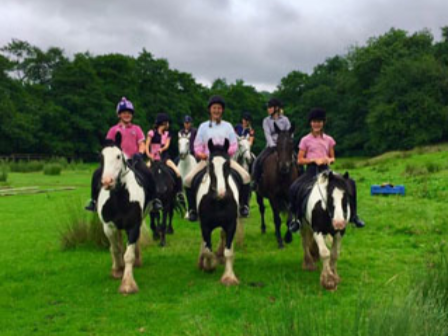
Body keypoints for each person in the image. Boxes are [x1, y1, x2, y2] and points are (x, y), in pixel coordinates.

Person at [288, 108, 365, 231]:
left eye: (319, 122)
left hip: (326, 170)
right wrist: (313, 160)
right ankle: (296, 219)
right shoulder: (305, 140)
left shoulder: (329, 139)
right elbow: (300, 160)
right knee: (294, 188)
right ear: (310, 123)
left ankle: (354, 216)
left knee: (351, 182)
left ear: (323, 123)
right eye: (314, 122)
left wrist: (329, 160)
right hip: (311, 170)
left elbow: (332, 156)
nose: (316, 124)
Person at [85, 97, 160, 212]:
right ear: (119, 115)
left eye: (129, 113)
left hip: (133, 160)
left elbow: (142, 144)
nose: (127, 115)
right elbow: (108, 145)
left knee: (148, 173)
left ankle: (154, 200)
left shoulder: (137, 129)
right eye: (124, 113)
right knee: (97, 174)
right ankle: (94, 201)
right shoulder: (113, 130)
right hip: (116, 162)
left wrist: (140, 153)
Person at [183, 95, 252, 221]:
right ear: (210, 110)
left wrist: (226, 154)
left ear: (222, 110)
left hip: (225, 160)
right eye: (214, 108)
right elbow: (197, 145)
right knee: (187, 180)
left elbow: (234, 144)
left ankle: (243, 206)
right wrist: (200, 154)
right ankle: (192, 210)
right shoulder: (203, 127)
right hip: (208, 160)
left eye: (219, 108)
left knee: (246, 177)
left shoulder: (228, 126)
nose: (216, 110)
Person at [146, 113, 185, 204]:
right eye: (167, 123)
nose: (168, 125)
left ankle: (179, 193)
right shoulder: (151, 133)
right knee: (144, 171)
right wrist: (149, 155)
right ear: (163, 123)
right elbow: (147, 145)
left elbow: (167, 145)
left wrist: (162, 149)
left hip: (164, 157)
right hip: (153, 157)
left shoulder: (167, 134)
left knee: (177, 172)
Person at [252, 98, 291, 189]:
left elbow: (290, 133)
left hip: (284, 146)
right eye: (268, 107)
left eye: (270, 107)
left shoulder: (285, 120)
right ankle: (255, 181)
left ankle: (300, 177)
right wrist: (273, 145)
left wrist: (287, 144)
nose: (268, 109)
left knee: (296, 160)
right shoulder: (266, 121)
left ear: (276, 108)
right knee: (258, 160)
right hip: (271, 146)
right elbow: (267, 134)